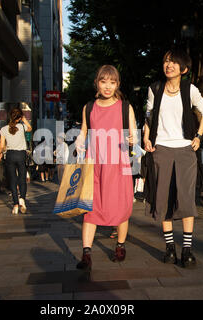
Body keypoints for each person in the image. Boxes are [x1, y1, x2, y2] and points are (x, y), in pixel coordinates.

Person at [143, 48, 203, 268]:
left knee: (186, 198)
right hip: (160, 149)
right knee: (164, 199)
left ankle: (188, 250)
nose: (168, 65)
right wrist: (146, 138)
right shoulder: (155, 88)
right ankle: (170, 247)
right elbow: (149, 116)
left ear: (184, 69)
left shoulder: (189, 89)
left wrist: (199, 136)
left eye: (173, 62)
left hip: (185, 150)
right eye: (166, 61)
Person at [75, 65, 137, 269]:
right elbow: (84, 131)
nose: (108, 86)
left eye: (112, 82)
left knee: (121, 206)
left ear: (118, 84)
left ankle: (120, 246)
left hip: (119, 164)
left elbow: (133, 136)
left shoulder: (125, 107)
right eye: (104, 81)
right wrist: (79, 140)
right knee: (90, 209)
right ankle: (86, 254)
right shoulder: (89, 107)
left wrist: (131, 140)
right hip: (95, 164)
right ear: (97, 83)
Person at [0, 107, 32, 215]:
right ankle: (22, 199)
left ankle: (15, 205)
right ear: (19, 117)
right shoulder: (22, 126)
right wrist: (24, 119)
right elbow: (30, 128)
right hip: (21, 154)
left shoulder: (3, 129)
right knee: (22, 179)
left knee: (12, 180)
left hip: (10, 155)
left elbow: (2, 145)